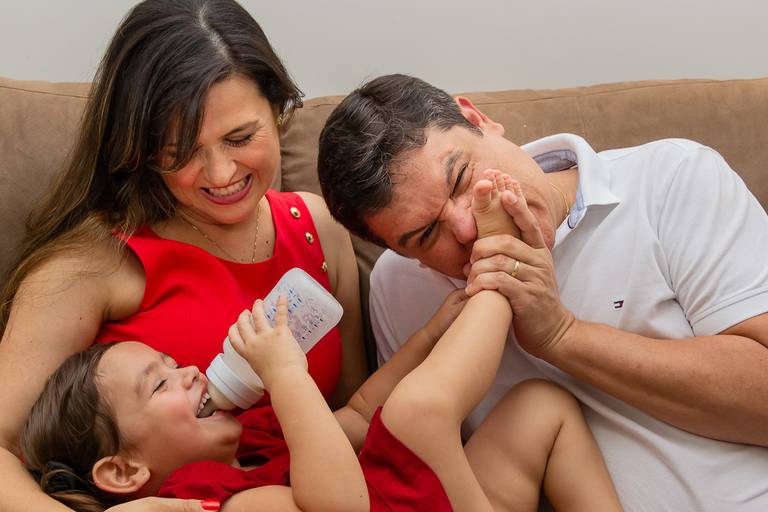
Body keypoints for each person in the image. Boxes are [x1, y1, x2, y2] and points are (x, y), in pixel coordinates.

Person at [21, 175, 622, 512]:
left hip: (443, 500)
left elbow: (362, 410)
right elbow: (340, 506)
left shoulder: (256, 438)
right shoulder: (213, 504)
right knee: (415, 413)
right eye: (160, 384)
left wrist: (435, 331)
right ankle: (501, 269)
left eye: (172, 363)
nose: (189, 373)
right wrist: (286, 376)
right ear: (125, 470)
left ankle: (491, 283)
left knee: (542, 409)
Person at [317, 74, 768, 511]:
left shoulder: (672, 178)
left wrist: (562, 336)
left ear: (478, 118)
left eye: (461, 179)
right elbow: (427, 475)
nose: (467, 226)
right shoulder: (398, 285)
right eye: (426, 234)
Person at [0, 1, 368, 511]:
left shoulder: (319, 230)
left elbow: (355, 410)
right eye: (180, 152)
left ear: (279, 109)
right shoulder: (95, 261)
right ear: (143, 150)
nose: (220, 174)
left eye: (240, 137)